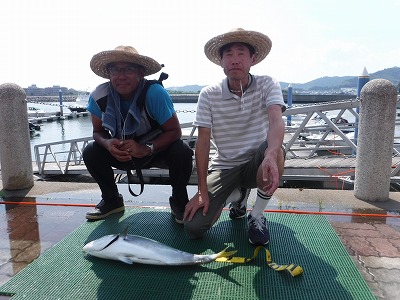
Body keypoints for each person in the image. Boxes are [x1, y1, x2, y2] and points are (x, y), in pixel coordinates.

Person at [183, 28, 286, 245]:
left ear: (253, 59)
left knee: (274, 150)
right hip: (225, 166)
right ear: (221, 61)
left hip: (256, 162)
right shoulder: (208, 94)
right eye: (228, 54)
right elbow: (202, 143)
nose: (235, 60)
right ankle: (238, 198)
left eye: (241, 53)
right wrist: (201, 191)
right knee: (193, 227)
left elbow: (277, 120)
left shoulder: (267, 83)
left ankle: (256, 215)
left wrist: (271, 155)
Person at [83, 45, 193, 221]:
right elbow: (98, 132)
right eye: (115, 69)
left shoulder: (155, 93)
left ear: (141, 72)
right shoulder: (99, 95)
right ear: (109, 73)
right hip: (120, 151)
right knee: (91, 151)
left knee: (183, 150)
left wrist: (146, 148)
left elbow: (174, 131)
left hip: (154, 150)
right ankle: (112, 200)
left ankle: (179, 201)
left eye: (128, 69)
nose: (121, 76)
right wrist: (108, 144)